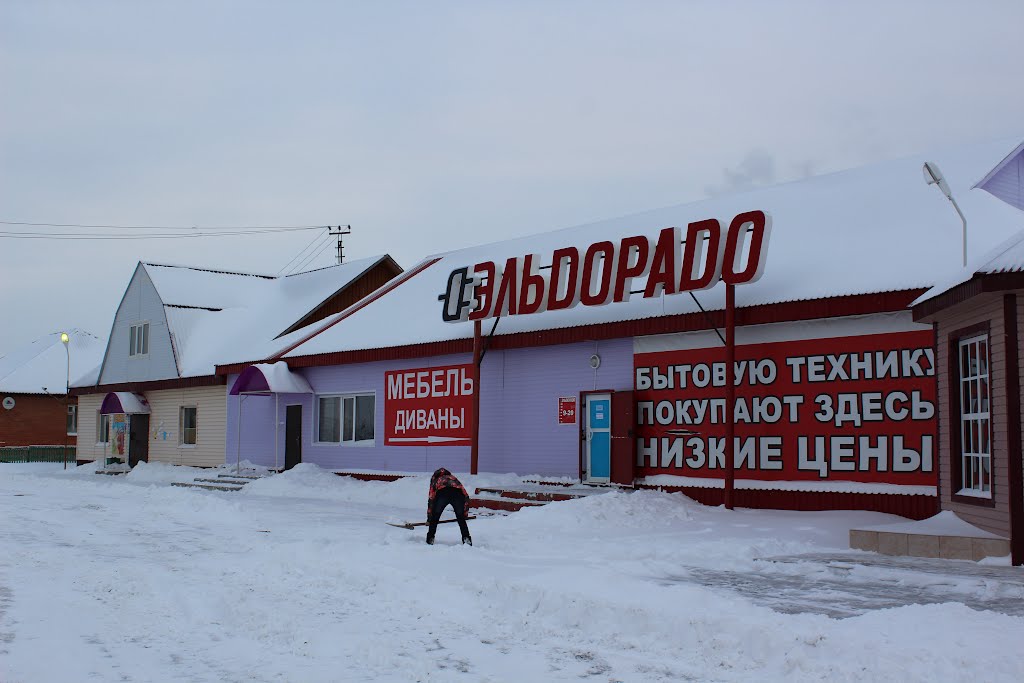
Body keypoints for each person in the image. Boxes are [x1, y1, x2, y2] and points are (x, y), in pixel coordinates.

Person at [426, 467, 472, 545]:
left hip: (442, 493)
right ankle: (466, 538)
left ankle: (430, 538)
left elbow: (431, 499)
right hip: (457, 494)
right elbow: (465, 495)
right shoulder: (453, 478)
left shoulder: (435, 480)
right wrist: (464, 514)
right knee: (460, 518)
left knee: (435, 516)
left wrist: (430, 519)